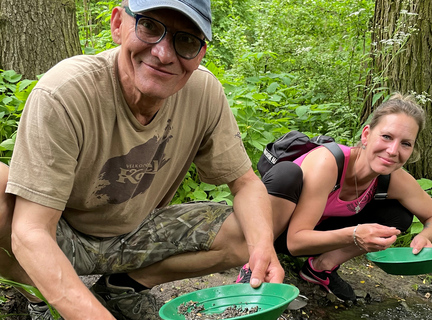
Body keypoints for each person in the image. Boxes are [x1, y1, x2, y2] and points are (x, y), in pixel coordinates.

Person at [0, 1, 284, 319]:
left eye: (186, 39)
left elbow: (245, 183)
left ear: (201, 53)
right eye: (149, 26)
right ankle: (41, 297)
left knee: (252, 228)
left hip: (138, 232)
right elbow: (30, 230)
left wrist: (263, 248)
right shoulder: (65, 93)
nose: (163, 54)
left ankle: (122, 287)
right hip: (66, 234)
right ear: (118, 24)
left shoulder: (204, 93)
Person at [237, 93, 432, 302]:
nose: (393, 150)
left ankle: (320, 269)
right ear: (366, 135)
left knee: (399, 216)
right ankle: (254, 265)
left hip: (314, 236)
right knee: (287, 174)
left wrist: (425, 236)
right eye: (386, 137)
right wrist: (355, 234)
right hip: (279, 234)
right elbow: (294, 242)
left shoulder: (395, 179)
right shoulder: (328, 163)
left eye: (406, 144)